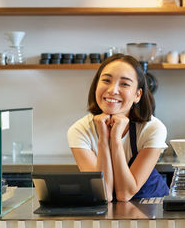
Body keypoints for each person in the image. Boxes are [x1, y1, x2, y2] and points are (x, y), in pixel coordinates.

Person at [67, 54, 168, 202]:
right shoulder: (79, 130)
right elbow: (104, 194)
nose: (113, 90)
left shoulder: (153, 129)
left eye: (125, 84)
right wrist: (103, 138)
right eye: (106, 80)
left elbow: (124, 194)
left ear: (137, 95)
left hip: (152, 210)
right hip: (106, 214)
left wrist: (115, 139)